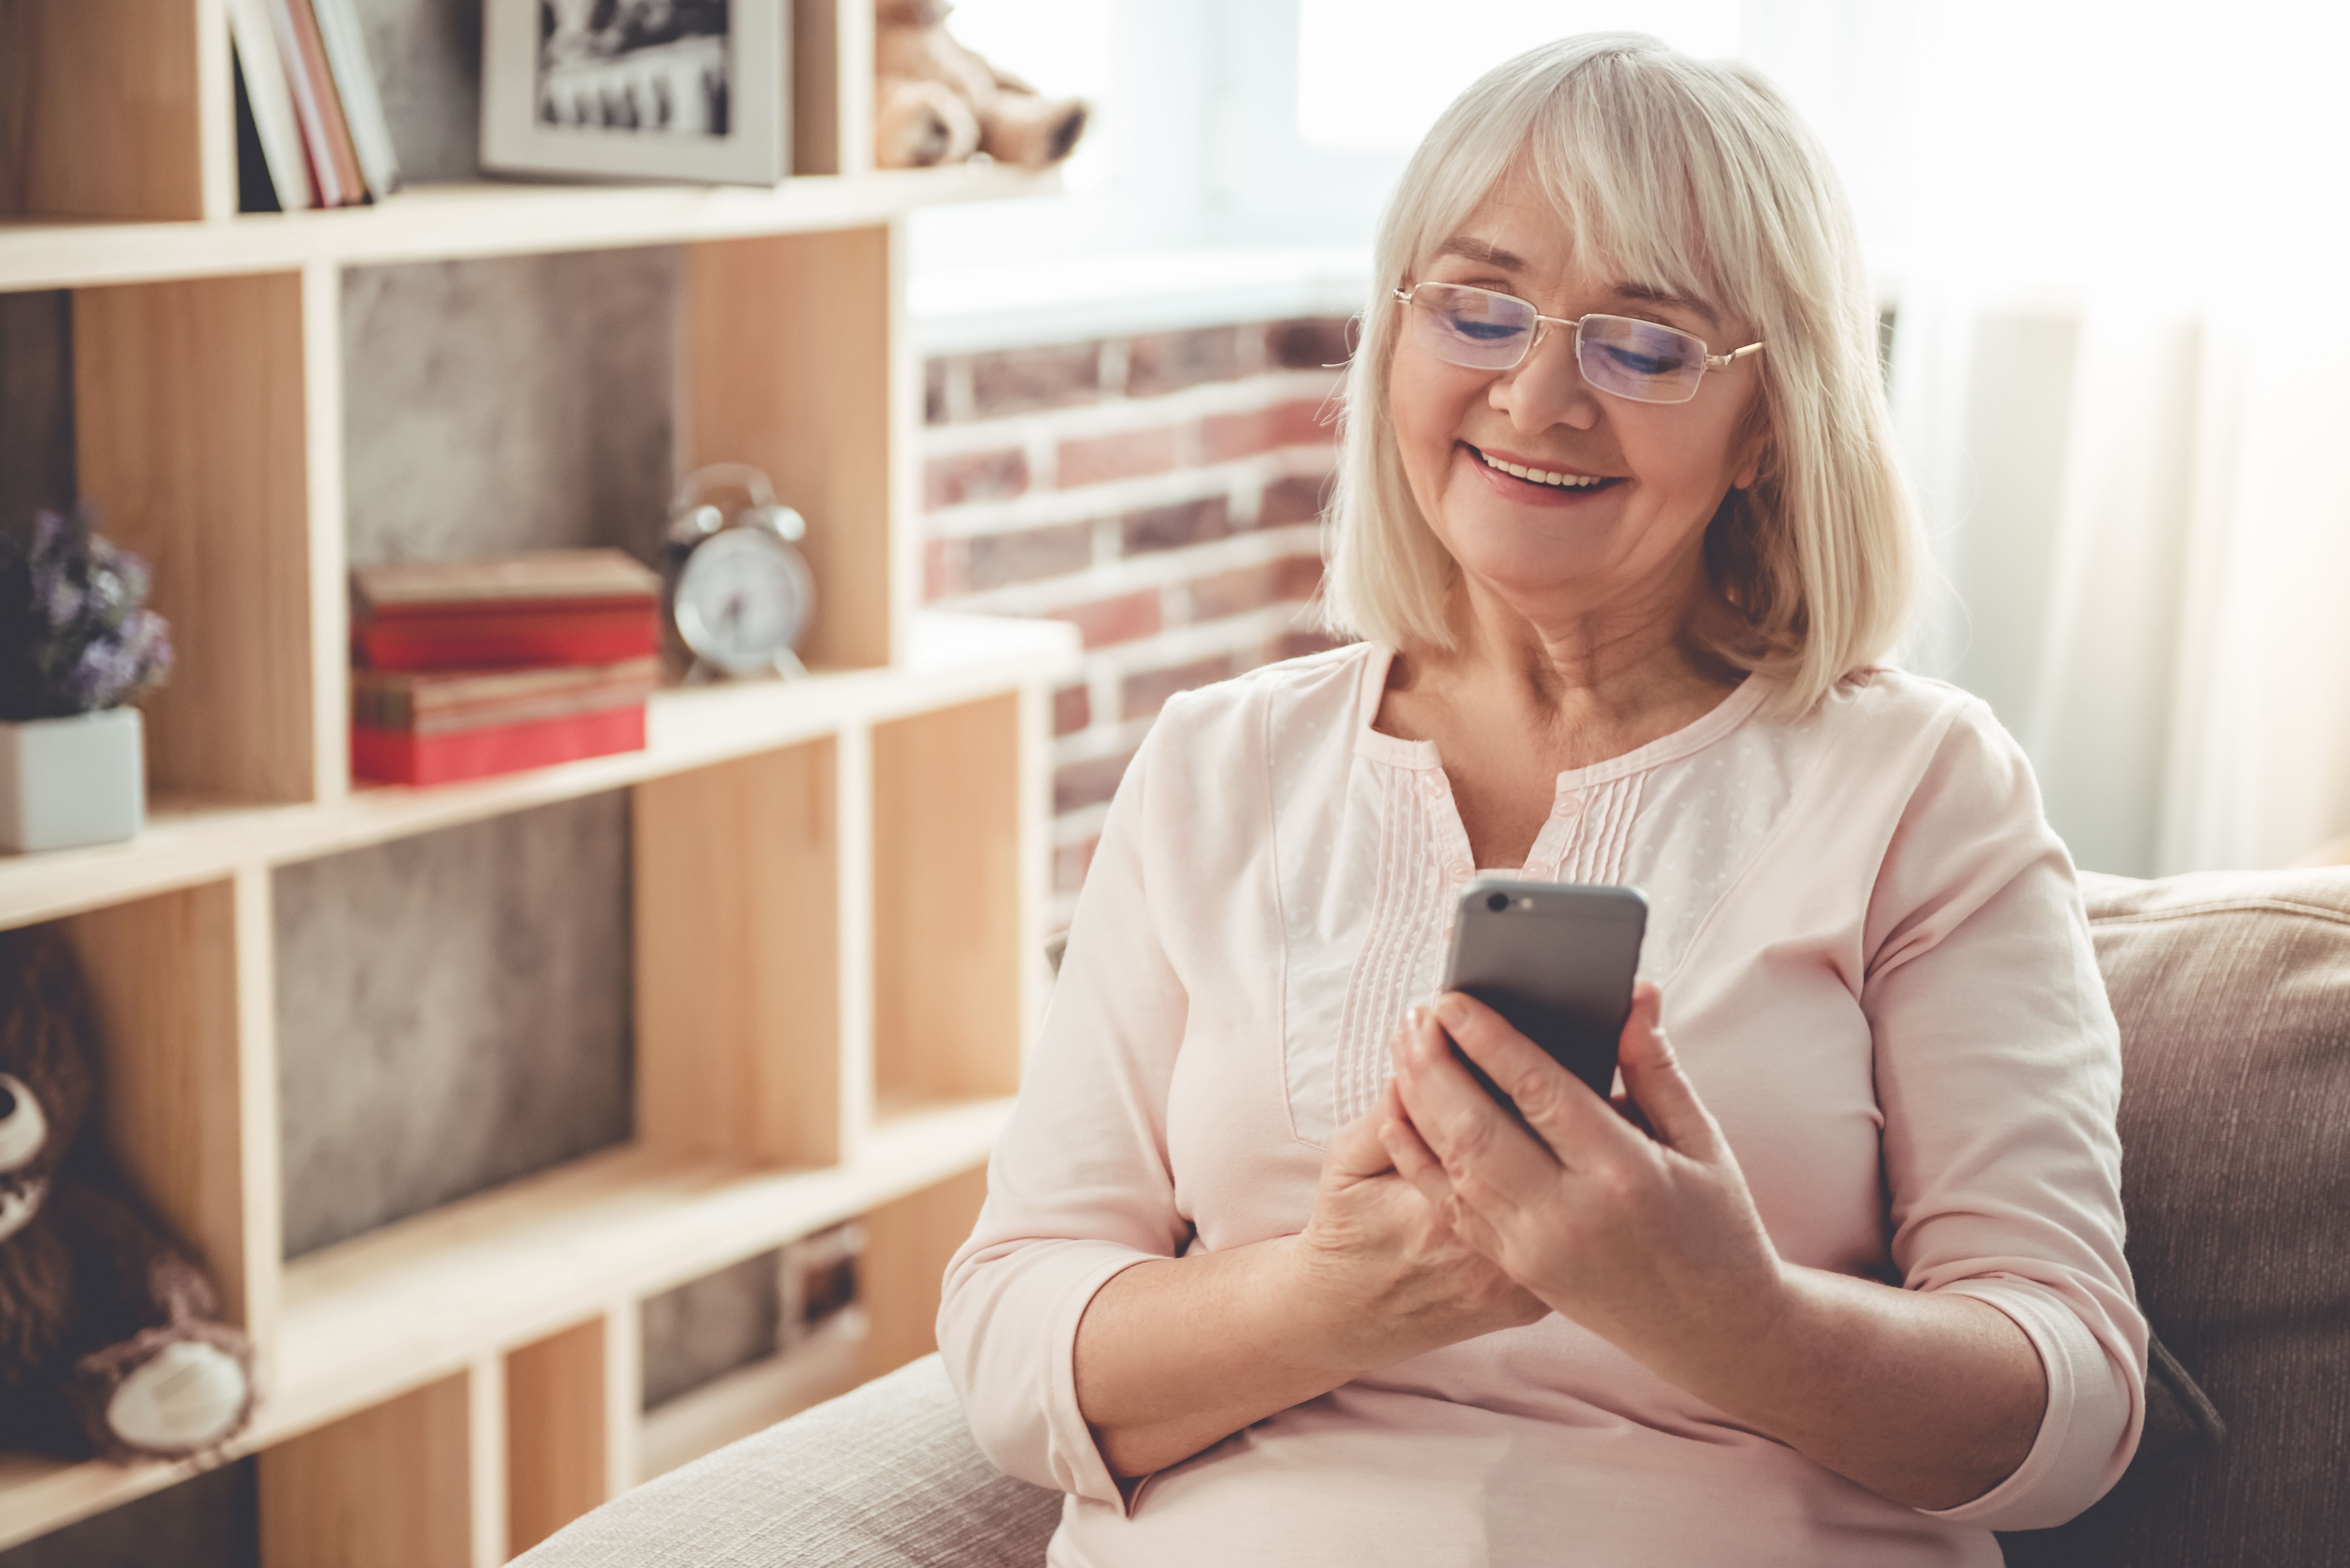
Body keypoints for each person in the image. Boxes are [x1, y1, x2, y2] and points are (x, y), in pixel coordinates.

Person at [938, 32, 2144, 1567]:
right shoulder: (1216, 765)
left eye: (1643, 344)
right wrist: (1335, 1297)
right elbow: (1009, 1331)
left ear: (1769, 424)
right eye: (1478, 308)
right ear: (1397, 338)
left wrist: (1731, 1317)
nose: (1536, 394)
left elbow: (2072, 1408)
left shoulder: (1922, 791)